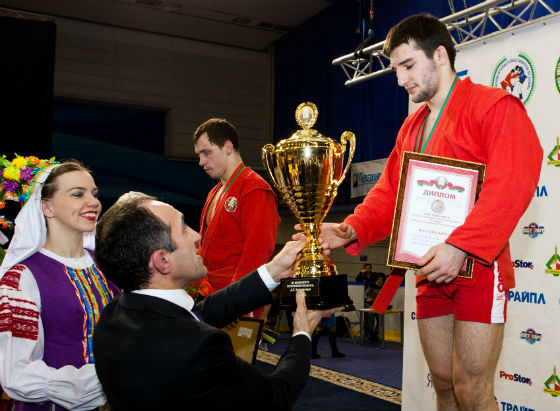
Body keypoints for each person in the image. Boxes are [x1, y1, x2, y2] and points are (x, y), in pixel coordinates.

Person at [315, 13, 542, 411]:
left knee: (472, 389)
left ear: (440, 55)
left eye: (408, 66)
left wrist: (460, 246)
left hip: (478, 268)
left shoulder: (494, 106)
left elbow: (513, 184)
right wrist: (351, 229)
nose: (401, 80)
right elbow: (388, 195)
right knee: (443, 384)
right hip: (428, 268)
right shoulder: (411, 127)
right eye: (395, 70)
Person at [92, 191, 340, 411]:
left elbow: (197, 315)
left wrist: (272, 271)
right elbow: (274, 398)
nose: (197, 235)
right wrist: (302, 333)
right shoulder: (198, 347)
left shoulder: (113, 315)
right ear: (162, 261)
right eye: (183, 228)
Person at [0, 157, 120, 410]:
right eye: (78, 194)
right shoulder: (23, 277)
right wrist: (101, 382)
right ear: (47, 208)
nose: (93, 202)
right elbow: (16, 373)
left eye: (94, 193)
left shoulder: (108, 266)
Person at [192, 118, 280, 320]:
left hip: (237, 301)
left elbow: (257, 251)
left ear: (228, 147)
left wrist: (237, 300)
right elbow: (203, 246)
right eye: (199, 155)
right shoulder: (214, 192)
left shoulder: (254, 189)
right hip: (209, 297)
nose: (201, 161)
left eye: (206, 152)